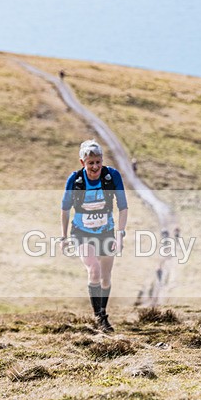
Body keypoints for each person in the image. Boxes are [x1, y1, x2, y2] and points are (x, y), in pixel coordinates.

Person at [60, 139, 129, 332]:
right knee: (94, 269)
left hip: (106, 232)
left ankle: (103, 311)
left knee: (106, 277)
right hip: (81, 233)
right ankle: (100, 317)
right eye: (91, 163)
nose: (95, 166)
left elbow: (123, 207)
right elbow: (65, 209)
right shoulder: (75, 180)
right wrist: (64, 237)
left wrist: (120, 234)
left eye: (98, 162)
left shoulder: (111, 176)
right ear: (82, 163)